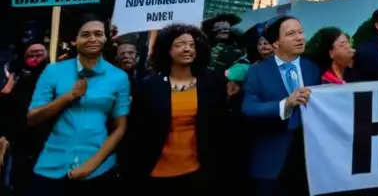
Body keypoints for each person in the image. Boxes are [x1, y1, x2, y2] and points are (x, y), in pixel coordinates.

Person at [27, 14, 130, 192]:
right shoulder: (53, 71)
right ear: (75, 40)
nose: (92, 39)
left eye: (98, 34)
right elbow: (32, 118)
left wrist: (92, 164)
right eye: (85, 34)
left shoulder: (119, 77)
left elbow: (120, 127)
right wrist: (69, 96)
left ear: (105, 38)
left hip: (98, 170)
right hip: (52, 167)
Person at [128, 24, 226, 191]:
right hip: (156, 172)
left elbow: (219, 127)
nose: (187, 49)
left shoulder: (212, 83)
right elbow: (137, 130)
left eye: (191, 45)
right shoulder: (150, 87)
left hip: (197, 172)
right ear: (167, 50)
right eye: (180, 45)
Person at [242, 16, 321, 196]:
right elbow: (249, 108)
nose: (300, 38)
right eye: (291, 34)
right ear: (276, 43)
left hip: (309, 161)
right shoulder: (257, 72)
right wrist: (286, 104)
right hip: (271, 162)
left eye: (301, 32)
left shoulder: (312, 68)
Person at [2, 43, 48, 193]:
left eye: (39, 54)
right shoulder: (17, 79)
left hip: (47, 142)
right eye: (30, 55)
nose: (35, 58)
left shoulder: (53, 78)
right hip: (20, 143)